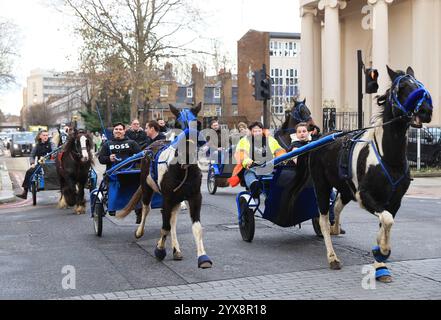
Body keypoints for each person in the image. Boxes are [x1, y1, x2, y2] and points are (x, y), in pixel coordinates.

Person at [228, 122, 286, 198]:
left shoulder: (270, 140)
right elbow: (241, 153)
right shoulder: (244, 141)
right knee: (249, 172)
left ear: (262, 130)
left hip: (269, 166)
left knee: (278, 175)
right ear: (251, 132)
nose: (257, 133)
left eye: (259, 131)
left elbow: (279, 151)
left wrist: (282, 160)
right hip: (252, 166)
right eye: (255, 131)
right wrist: (248, 162)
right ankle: (254, 186)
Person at [98, 122, 142, 219]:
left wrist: (134, 158)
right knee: (112, 184)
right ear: (113, 131)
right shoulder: (107, 144)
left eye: (120, 129)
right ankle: (112, 206)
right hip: (113, 173)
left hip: (130, 173)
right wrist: (109, 158)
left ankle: (139, 210)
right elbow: (101, 159)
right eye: (116, 129)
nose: (118, 131)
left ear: (124, 131)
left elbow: (141, 157)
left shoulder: (132, 143)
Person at [15, 130, 56, 199]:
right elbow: (32, 155)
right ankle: (25, 192)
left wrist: (52, 155)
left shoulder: (51, 144)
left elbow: (55, 152)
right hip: (41, 165)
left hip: (51, 164)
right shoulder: (37, 145)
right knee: (29, 172)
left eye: (46, 135)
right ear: (40, 136)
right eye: (44, 135)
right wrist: (32, 163)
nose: (45, 137)